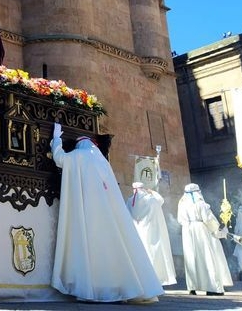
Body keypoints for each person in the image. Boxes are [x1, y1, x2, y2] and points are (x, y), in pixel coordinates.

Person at [50, 123, 163, 303]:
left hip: (87, 210)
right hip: (108, 213)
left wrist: (56, 138)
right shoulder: (102, 161)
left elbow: (60, 158)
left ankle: (92, 289)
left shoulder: (79, 155)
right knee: (109, 247)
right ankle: (119, 287)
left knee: (91, 247)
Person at [177, 183, 233, 295]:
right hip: (202, 230)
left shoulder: (182, 204)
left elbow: (180, 220)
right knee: (207, 258)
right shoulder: (201, 204)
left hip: (188, 231)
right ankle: (212, 288)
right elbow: (208, 220)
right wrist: (220, 230)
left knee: (192, 259)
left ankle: (193, 287)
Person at [127, 181, 177, 286]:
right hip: (150, 230)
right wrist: (153, 192)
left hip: (137, 231)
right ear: (143, 188)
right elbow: (161, 201)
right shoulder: (151, 199)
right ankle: (155, 278)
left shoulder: (130, 200)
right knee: (152, 252)